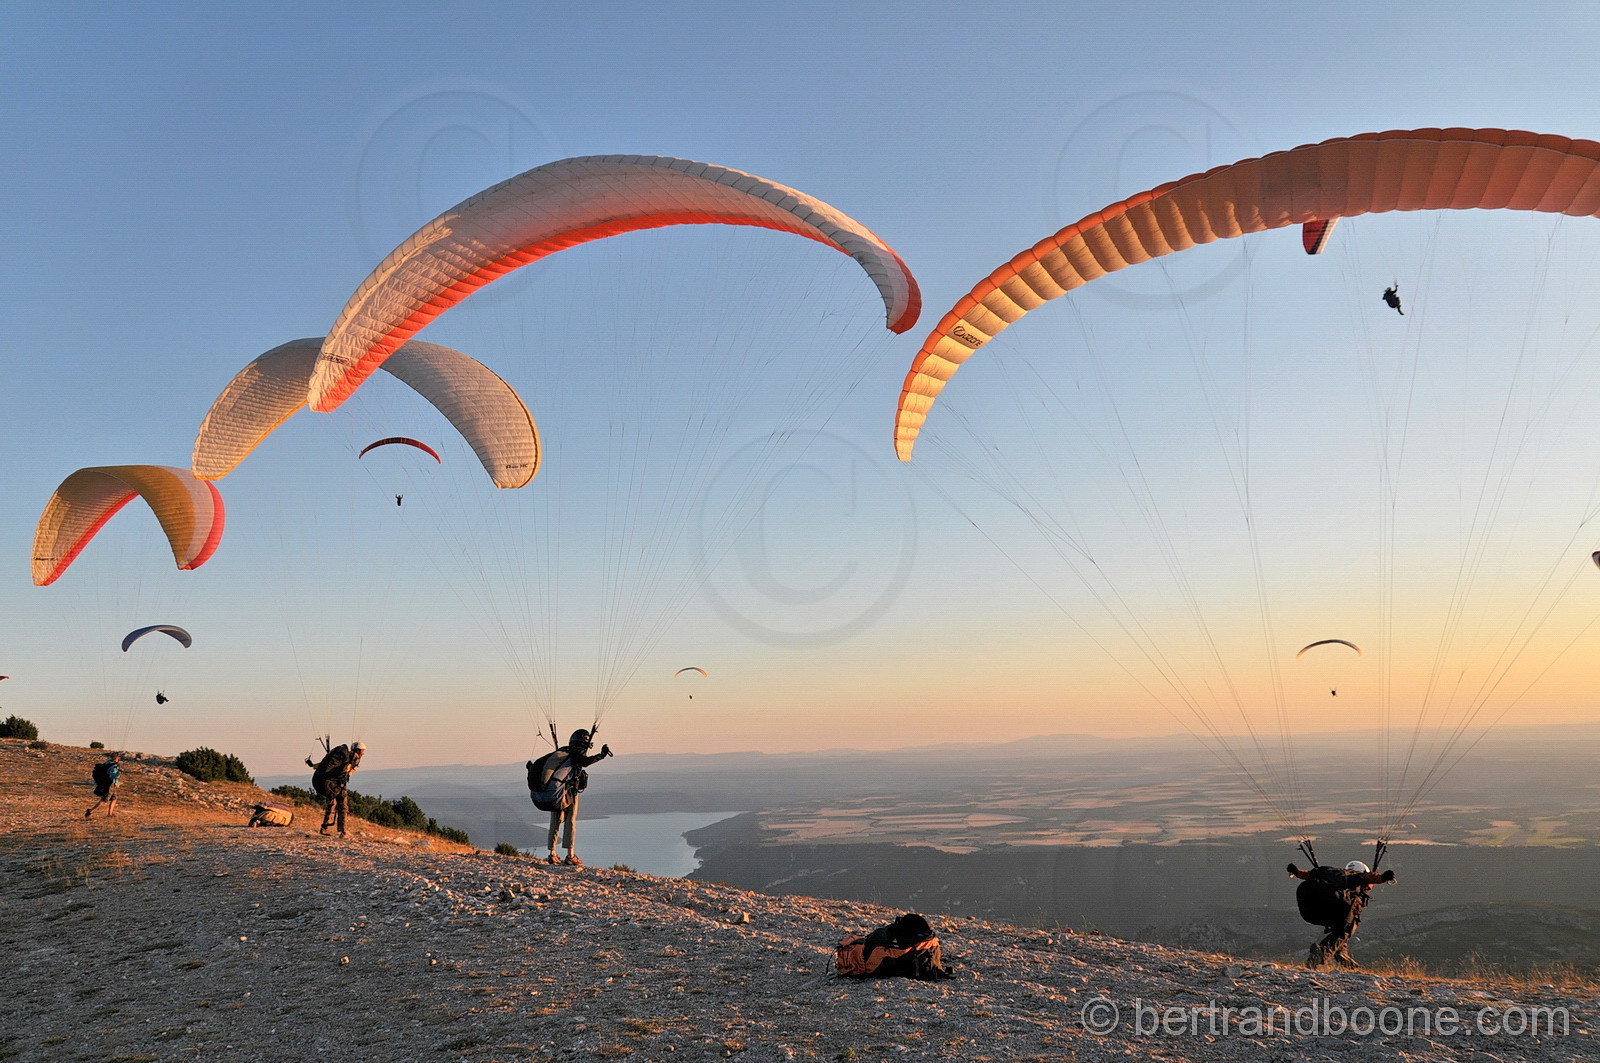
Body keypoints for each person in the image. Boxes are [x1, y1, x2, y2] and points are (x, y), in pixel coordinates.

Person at [1288, 859, 1395, 969]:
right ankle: (1321, 953)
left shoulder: (1336, 877)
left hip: (1321, 910)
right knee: (1344, 930)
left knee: (1340, 933)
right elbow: (1373, 877)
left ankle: (1347, 962)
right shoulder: (1359, 876)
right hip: (1341, 911)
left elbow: (1308, 875)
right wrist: (1384, 877)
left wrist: (1296, 872)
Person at [541, 729, 612, 865]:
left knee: (555, 822)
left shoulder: (564, 751)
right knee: (570, 822)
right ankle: (570, 855)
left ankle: (552, 854)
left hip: (556, 792)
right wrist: (601, 755)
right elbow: (584, 762)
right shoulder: (577, 753)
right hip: (569, 794)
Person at [306, 741, 365, 837]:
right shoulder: (351, 760)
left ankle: (324, 828)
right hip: (336, 784)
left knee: (332, 804)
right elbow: (345, 771)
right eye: (362, 751)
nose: (363, 753)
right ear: (358, 751)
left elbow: (321, 765)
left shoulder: (339, 756)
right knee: (343, 806)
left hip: (327, 784)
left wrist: (312, 765)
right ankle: (343, 831)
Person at [85, 751, 121, 818]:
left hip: (112, 784)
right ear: (117, 758)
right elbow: (112, 775)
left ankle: (110, 814)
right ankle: (90, 811)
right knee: (104, 800)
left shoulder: (107, 763)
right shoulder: (114, 766)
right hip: (110, 784)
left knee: (114, 799)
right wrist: (118, 774)